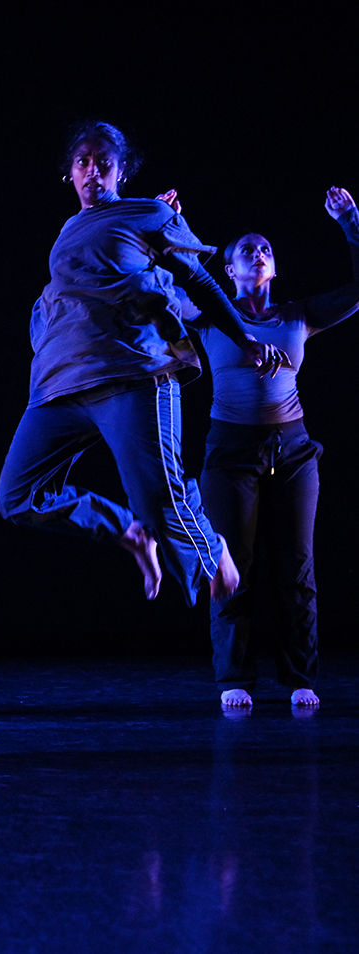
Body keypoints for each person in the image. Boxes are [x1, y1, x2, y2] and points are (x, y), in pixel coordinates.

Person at [0, 122, 287, 609]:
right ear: (70, 173)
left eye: (104, 162)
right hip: (61, 384)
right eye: (83, 161)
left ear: (121, 172)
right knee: (17, 497)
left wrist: (245, 336)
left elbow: (198, 283)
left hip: (131, 376)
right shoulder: (69, 229)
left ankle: (209, 550)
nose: (93, 170)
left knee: (157, 497)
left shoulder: (147, 214)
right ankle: (129, 534)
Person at [196, 188, 359, 708]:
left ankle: (300, 677)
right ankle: (234, 680)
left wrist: (352, 223)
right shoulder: (207, 317)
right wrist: (168, 230)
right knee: (231, 564)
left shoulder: (298, 316)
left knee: (297, 567)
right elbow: (154, 291)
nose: (259, 252)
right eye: (247, 249)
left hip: (292, 453)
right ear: (227, 270)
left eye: (265, 248)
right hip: (231, 453)